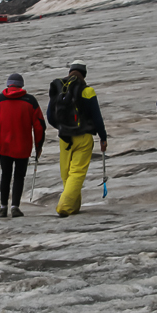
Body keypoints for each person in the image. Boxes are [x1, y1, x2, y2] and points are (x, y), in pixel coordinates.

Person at [47, 60, 108, 217]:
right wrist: (103, 137)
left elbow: (50, 117)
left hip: (64, 138)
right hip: (84, 137)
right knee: (77, 172)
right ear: (84, 74)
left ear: (70, 72)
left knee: (67, 173)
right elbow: (97, 117)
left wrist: (63, 128)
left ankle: (74, 207)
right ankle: (64, 206)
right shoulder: (87, 91)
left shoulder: (59, 89)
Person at [0, 73, 45, 217]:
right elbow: (39, 126)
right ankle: (15, 206)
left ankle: (3, 207)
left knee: (5, 176)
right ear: (21, 85)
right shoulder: (30, 101)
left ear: (8, 85)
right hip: (23, 146)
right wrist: (39, 146)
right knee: (19, 176)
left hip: (5, 146)